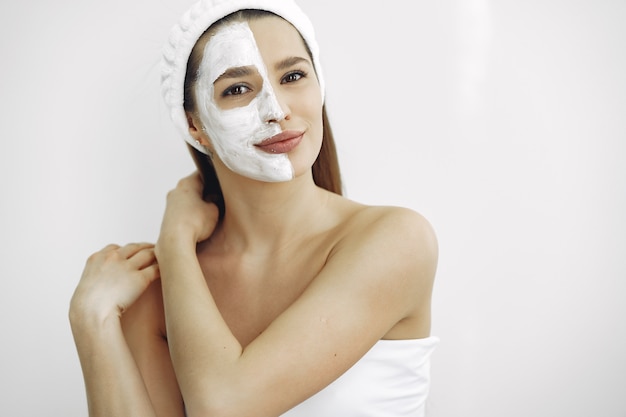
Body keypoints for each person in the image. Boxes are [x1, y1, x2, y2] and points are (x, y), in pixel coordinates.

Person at [69, 0, 439, 416]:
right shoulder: (157, 289)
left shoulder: (396, 241)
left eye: (293, 75)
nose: (277, 110)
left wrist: (173, 239)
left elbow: (225, 405)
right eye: (237, 89)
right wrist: (93, 320)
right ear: (194, 125)